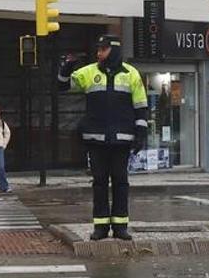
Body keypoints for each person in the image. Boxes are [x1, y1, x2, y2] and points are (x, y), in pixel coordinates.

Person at [59, 35, 148, 242]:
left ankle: (120, 227)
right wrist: (66, 68)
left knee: (120, 182)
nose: (98, 53)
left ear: (114, 50)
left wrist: (141, 134)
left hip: (122, 140)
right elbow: (62, 87)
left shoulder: (131, 74)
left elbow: (141, 107)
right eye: (98, 49)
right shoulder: (89, 72)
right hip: (96, 139)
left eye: (103, 49)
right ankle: (100, 227)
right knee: (99, 183)